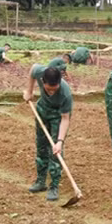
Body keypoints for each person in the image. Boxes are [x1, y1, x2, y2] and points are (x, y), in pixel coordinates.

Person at [23, 65, 73, 201]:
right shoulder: (40, 73)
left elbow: (65, 119)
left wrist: (60, 141)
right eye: (48, 89)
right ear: (43, 81)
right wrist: (29, 91)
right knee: (41, 145)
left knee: (55, 152)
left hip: (58, 116)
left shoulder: (65, 93)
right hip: (42, 110)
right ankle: (40, 181)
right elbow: (32, 69)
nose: (51, 92)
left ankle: (54, 186)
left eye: (54, 89)